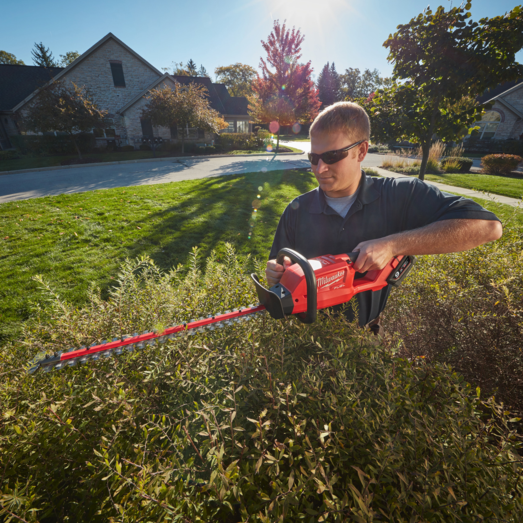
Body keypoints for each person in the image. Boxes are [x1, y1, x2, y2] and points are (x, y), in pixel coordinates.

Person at [266, 102, 503, 331]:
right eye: (314, 158)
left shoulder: (400, 195)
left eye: (331, 157)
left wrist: (392, 245)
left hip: (367, 338)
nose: (319, 169)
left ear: (361, 151)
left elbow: (488, 227)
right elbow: (279, 274)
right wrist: (276, 274)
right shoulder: (296, 209)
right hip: (306, 338)